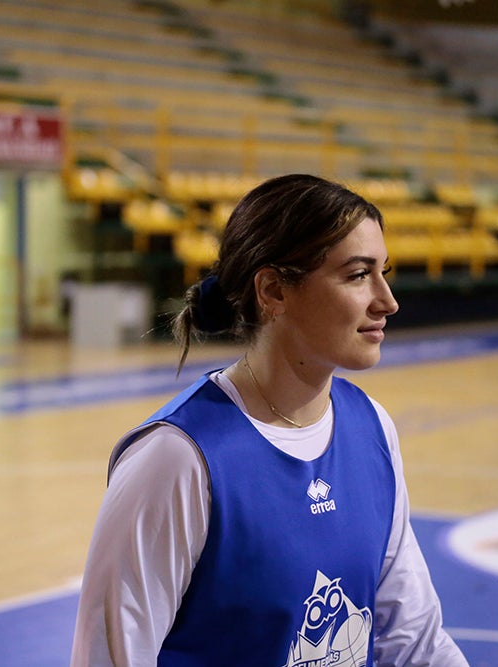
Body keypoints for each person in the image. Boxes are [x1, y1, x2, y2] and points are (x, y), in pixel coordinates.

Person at [70, 174, 468, 666]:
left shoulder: (372, 426)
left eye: (383, 272)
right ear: (274, 290)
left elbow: (414, 640)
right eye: (358, 275)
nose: (387, 301)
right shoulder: (177, 458)